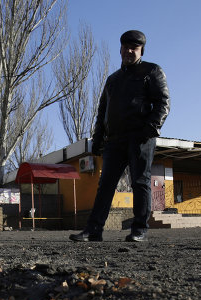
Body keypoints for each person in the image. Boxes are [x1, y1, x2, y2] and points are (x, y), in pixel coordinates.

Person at [70, 30, 170, 243]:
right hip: (114, 140)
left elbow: (163, 103)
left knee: (140, 182)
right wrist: (97, 140)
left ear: (141, 50)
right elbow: (102, 112)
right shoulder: (112, 80)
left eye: (134, 48)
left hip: (140, 138)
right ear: (120, 49)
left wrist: (150, 129)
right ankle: (93, 230)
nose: (129, 51)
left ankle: (139, 229)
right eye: (125, 47)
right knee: (105, 184)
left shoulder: (152, 71)